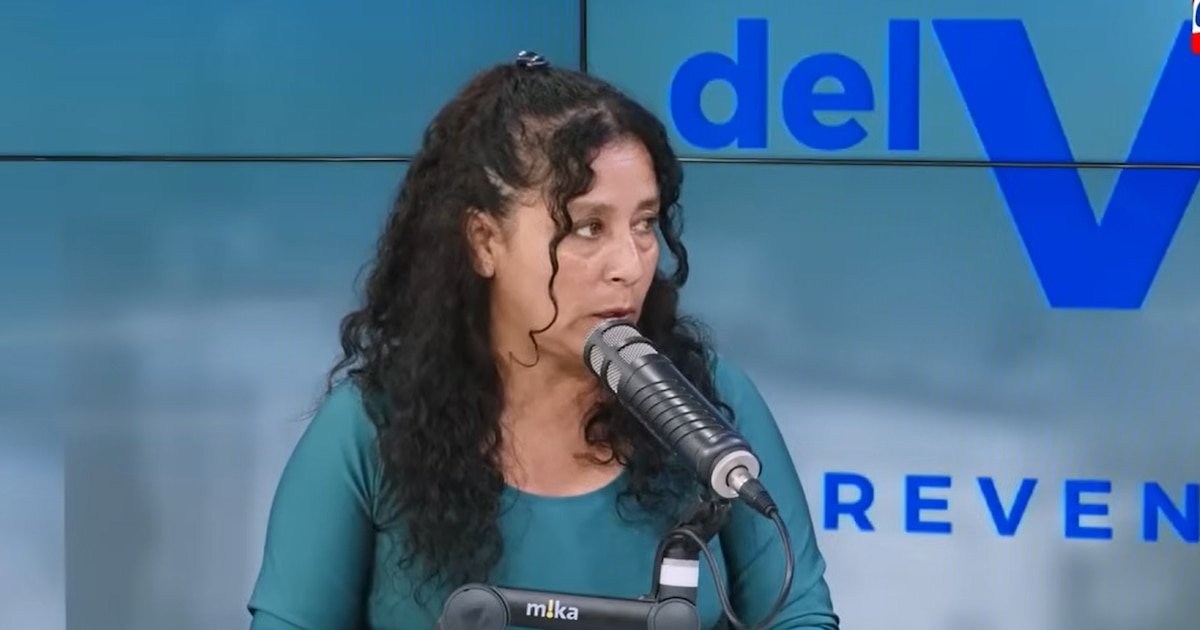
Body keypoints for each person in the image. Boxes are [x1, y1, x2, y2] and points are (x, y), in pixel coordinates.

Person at [246, 50, 839, 630]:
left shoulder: (708, 399)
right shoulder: (369, 428)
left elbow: (800, 615)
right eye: (588, 228)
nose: (630, 265)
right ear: (485, 241)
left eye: (644, 224)